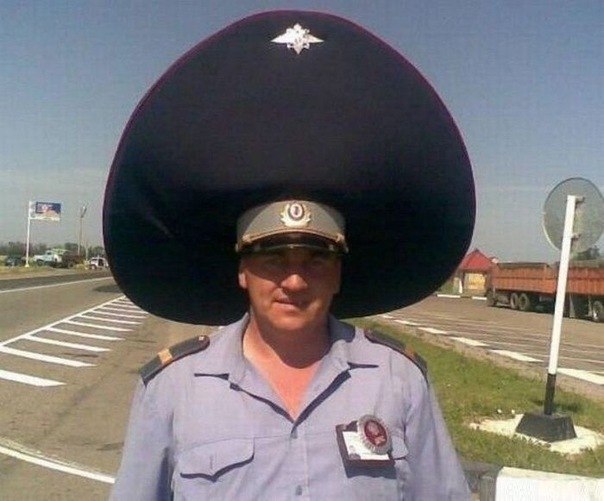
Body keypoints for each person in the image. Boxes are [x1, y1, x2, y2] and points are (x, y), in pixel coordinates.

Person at [104, 11, 475, 500]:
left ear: (339, 272)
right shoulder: (174, 390)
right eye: (273, 258)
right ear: (243, 269)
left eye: (316, 259)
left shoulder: (398, 382)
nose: (295, 280)